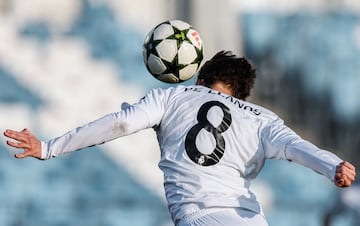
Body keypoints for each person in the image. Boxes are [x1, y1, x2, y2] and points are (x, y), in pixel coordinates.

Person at [3, 51, 356, 226]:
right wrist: (333, 166)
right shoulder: (263, 119)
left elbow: (122, 125)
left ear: (200, 79)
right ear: (242, 94)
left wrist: (49, 147)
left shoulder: (172, 97)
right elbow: (297, 148)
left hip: (201, 216)